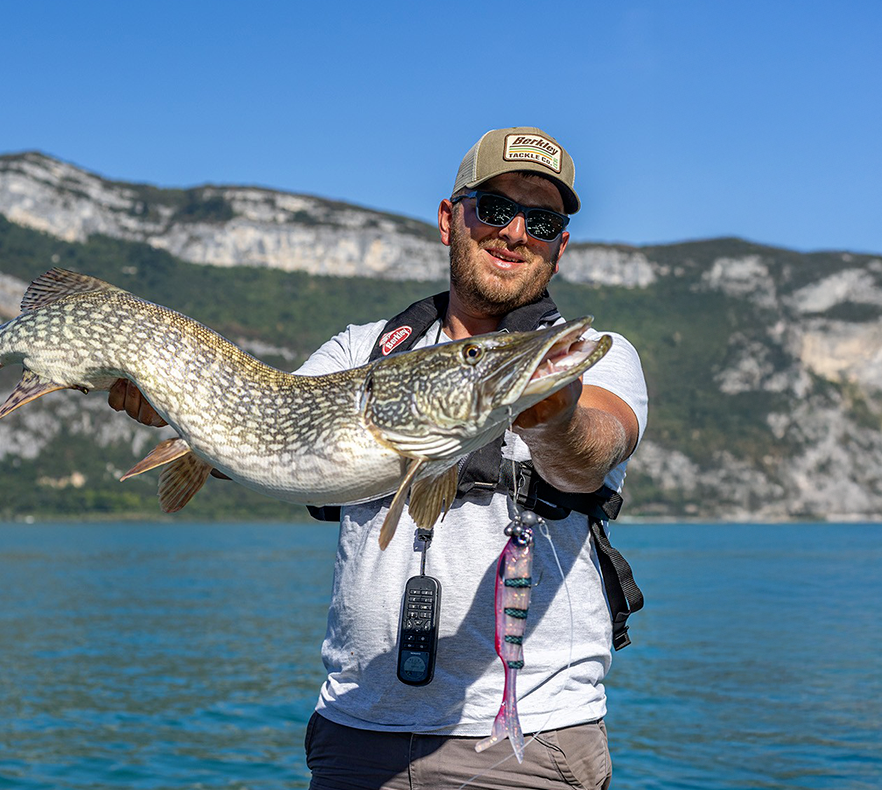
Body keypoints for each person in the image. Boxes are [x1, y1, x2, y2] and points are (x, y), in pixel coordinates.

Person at [109, 126, 647, 790]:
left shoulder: (594, 353)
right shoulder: (360, 353)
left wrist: (555, 417)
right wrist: (178, 405)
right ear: (451, 219)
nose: (514, 233)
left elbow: (591, 454)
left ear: (558, 246)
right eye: (496, 208)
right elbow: (259, 445)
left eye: (540, 220)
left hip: (526, 743)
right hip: (358, 733)